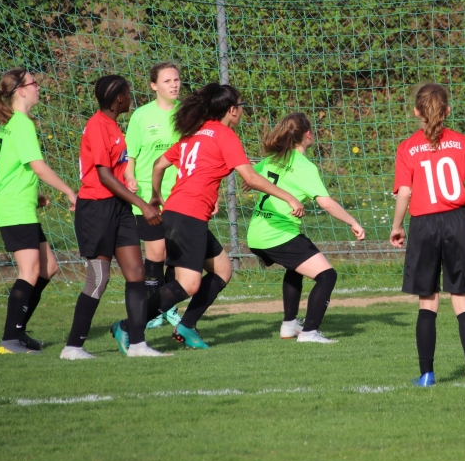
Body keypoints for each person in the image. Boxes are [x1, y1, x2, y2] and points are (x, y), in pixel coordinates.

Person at [148, 83, 305, 350]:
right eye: (241, 106)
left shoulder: (194, 133)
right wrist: (289, 197)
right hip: (188, 215)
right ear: (232, 110)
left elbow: (158, 164)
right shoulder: (224, 134)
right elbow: (251, 178)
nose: (242, 111)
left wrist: (155, 196)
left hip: (177, 211)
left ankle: (186, 325)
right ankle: (130, 324)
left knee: (222, 270)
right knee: (188, 284)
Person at [61, 75, 167, 360]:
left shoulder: (113, 125)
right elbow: (104, 176)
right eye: (128, 93)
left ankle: (138, 345)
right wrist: (143, 205)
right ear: (119, 98)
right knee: (99, 279)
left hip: (119, 208)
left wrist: (127, 182)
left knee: (136, 272)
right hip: (97, 209)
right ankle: (72, 348)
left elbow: (116, 172)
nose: (131, 97)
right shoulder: (98, 125)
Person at [390, 83, 465, 386]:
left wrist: (396, 226)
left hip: (424, 224)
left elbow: (404, 192)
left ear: (416, 111)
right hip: (458, 221)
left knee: (427, 302)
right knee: (462, 300)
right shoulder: (462, 142)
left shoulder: (407, 147)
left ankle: (427, 375)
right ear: (447, 110)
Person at [246, 112, 365, 343]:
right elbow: (326, 203)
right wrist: (353, 222)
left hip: (257, 233)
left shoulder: (273, 158)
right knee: (327, 275)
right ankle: (310, 333)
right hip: (277, 234)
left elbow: (250, 175)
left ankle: (289, 325)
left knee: (295, 268)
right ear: (308, 135)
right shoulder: (304, 166)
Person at [0, 68, 78, 355]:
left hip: (15, 203)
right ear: (21, 90)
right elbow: (38, 166)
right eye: (34, 83)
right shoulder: (21, 123)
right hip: (14, 207)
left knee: (48, 267)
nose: (38, 87)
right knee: (29, 270)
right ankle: (10, 339)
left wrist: (33, 193)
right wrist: (68, 191)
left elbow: (0, 167)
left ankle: (18, 331)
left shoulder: (11, 124)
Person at [124, 62, 182, 329]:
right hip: (149, 196)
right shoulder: (141, 116)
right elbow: (131, 155)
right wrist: (130, 176)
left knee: (177, 253)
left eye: (176, 79)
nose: (174, 84)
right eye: (167, 80)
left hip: (180, 195)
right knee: (156, 254)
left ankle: (170, 307)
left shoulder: (186, 113)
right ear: (153, 85)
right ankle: (155, 309)